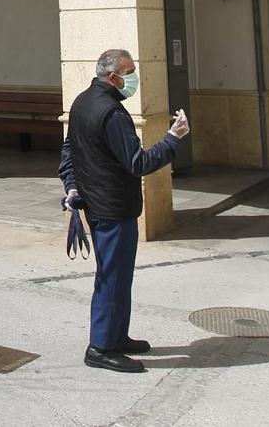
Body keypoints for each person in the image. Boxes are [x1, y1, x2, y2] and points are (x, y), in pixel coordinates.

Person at [60, 48, 189, 374]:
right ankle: (100, 348)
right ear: (113, 77)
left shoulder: (82, 102)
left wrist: (72, 186)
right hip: (113, 208)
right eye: (129, 73)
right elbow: (137, 163)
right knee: (112, 278)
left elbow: (69, 150)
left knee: (118, 276)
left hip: (99, 203)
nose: (134, 78)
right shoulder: (112, 113)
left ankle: (116, 336)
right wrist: (172, 139)